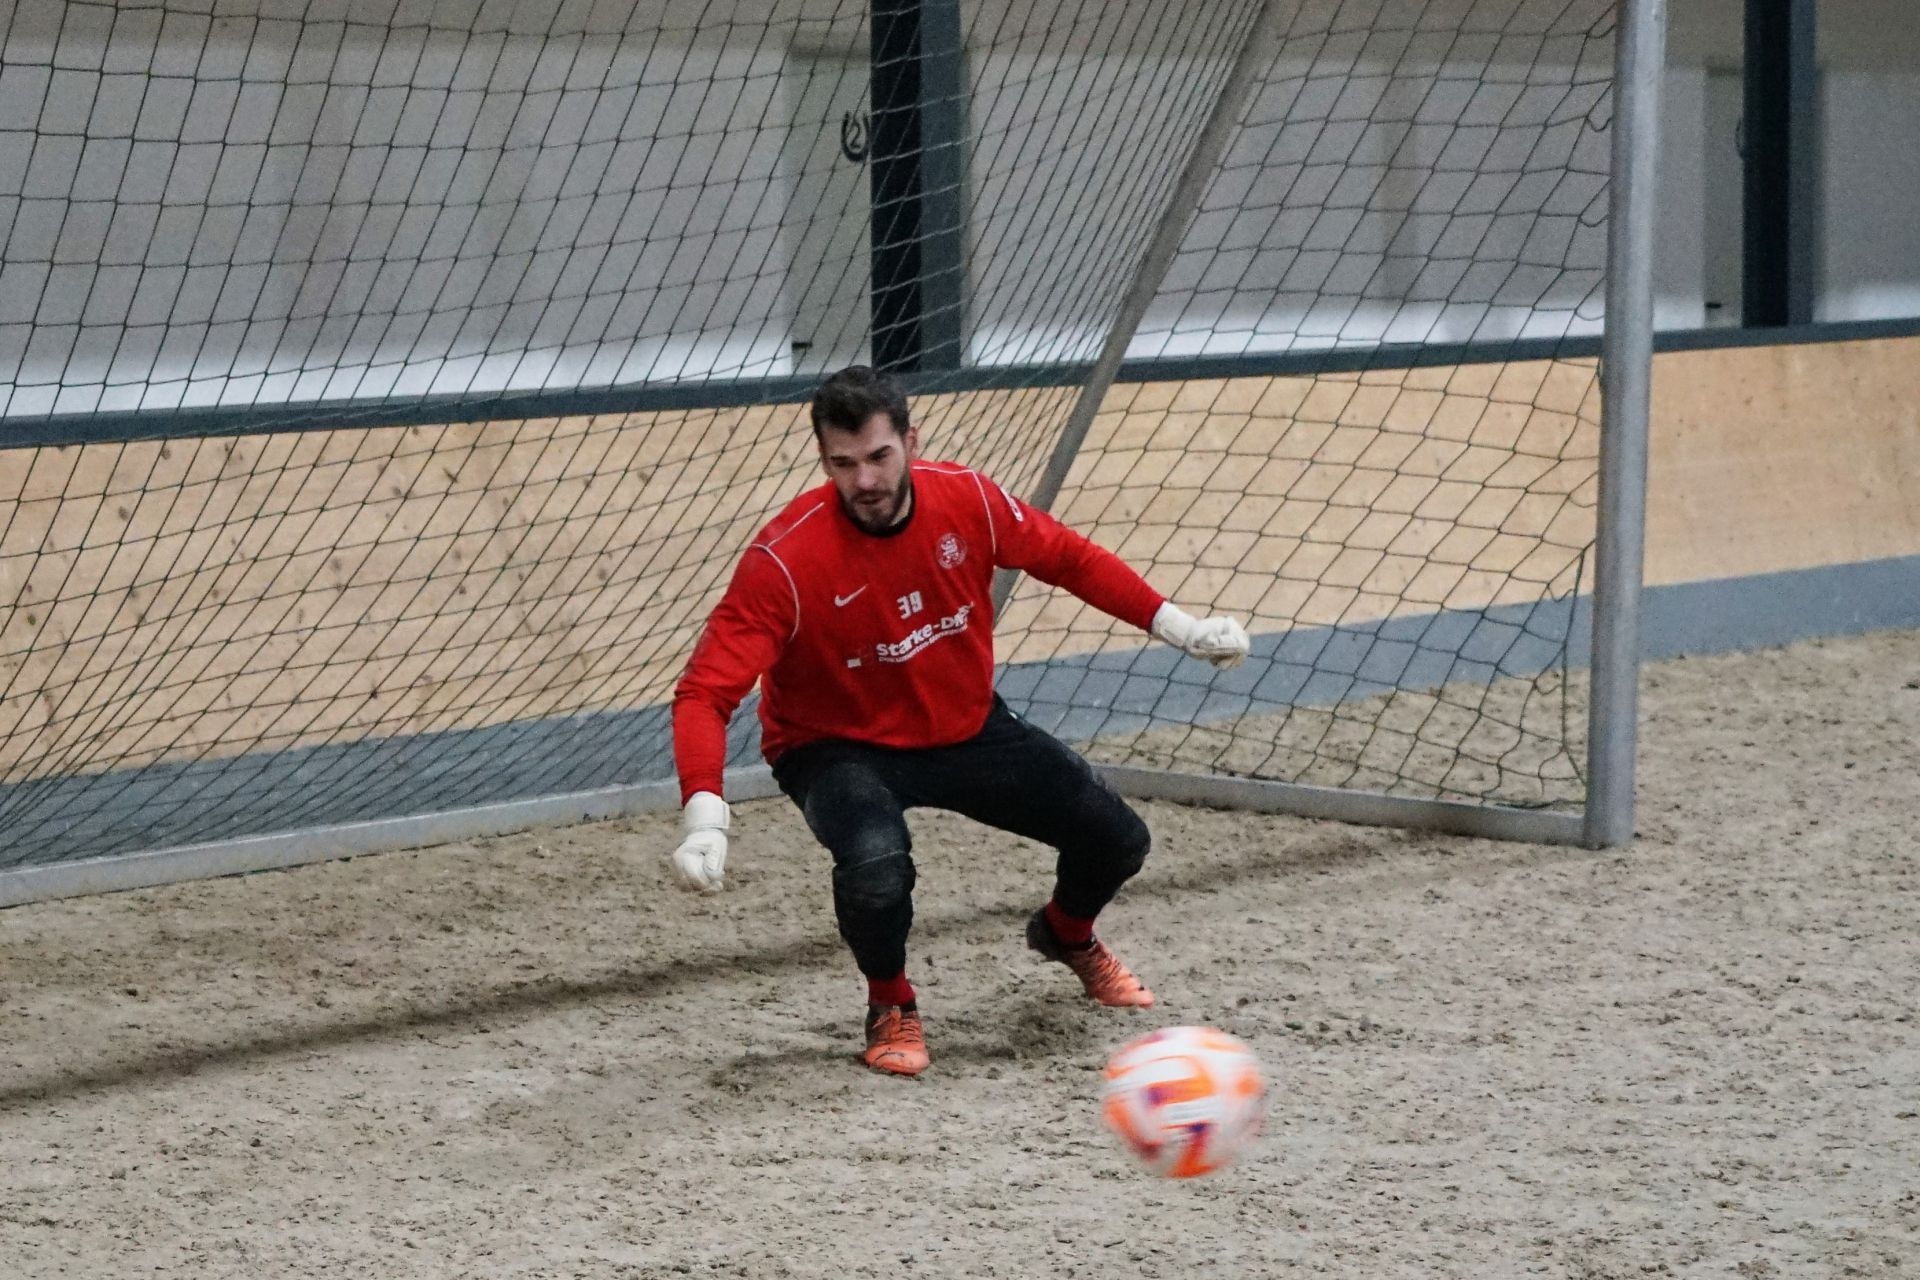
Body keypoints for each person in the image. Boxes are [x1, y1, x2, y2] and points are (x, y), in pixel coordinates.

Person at [669, 366, 1250, 1076]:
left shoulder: (968, 499)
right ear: (824, 460)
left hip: (962, 725)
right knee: (876, 868)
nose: (865, 480)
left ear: (911, 442)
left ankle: (1066, 934)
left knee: (1117, 839)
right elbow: (704, 693)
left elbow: (1067, 558)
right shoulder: (784, 562)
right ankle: (891, 1003)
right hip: (834, 744)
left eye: (879, 456)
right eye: (844, 464)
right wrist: (705, 813)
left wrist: (1178, 626)